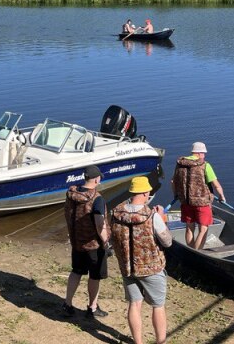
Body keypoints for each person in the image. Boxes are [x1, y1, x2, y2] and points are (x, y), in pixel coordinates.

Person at [111, 176, 172, 344]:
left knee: (134, 304)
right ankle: (161, 341)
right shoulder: (152, 216)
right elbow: (167, 241)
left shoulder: (116, 213)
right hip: (151, 268)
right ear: (146, 193)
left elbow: (113, 239)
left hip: (127, 267)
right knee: (158, 306)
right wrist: (163, 220)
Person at [63, 164, 110, 319]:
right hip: (93, 245)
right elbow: (99, 223)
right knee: (94, 276)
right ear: (96, 180)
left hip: (77, 243)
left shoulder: (71, 194)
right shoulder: (97, 199)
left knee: (76, 272)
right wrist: (105, 241)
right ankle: (92, 307)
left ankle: (67, 303)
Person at [171, 141, 225, 250]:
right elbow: (216, 185)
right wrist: (221, 196)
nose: (204, 156)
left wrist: (176, 194)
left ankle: (190, 251)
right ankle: (197, 252)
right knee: (203, 229)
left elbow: (173, 182)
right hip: (202, 203)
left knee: (189, 228)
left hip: (186, 202)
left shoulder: (180, 164)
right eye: (204, 153)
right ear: (199, 153)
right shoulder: (205, 165)